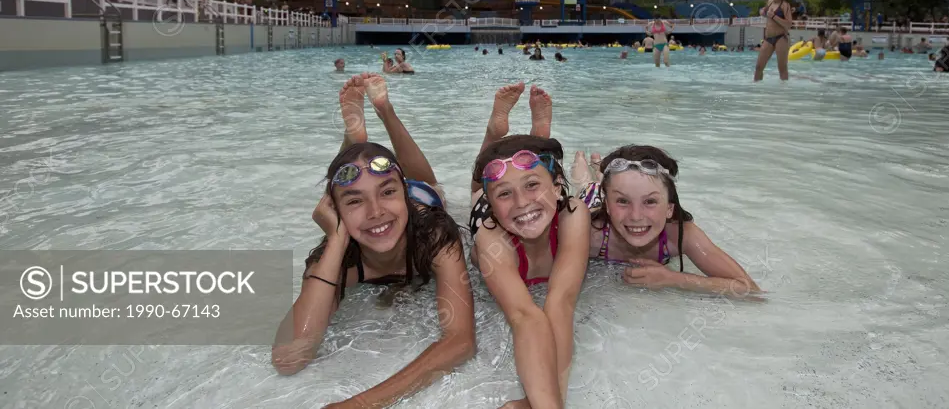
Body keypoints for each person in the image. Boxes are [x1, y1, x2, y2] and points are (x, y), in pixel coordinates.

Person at [273, 75, 474, 408]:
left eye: (388, 193)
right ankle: (355, 143)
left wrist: (363, 404)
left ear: (401, 196)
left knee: (429, 185)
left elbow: (461, 341)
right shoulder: (339, 261)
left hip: (422, 202)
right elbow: (288, 357)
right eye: (353, 201)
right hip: (376, 215)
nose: (375, 212)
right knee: (361, 183)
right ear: (334, 212)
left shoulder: (435, 235)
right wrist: (337, 239)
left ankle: (385, 111)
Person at [469, 84, 589, 409]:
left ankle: (540, 139)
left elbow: (559, 303)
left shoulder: (573, 214)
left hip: (548, 199)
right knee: (480, 185)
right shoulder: (490, 234)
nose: (522, 203)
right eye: (505, 195)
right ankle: (496, 129)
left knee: (537, 181)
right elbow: (525, 316)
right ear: (494, 208)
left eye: (533, 186)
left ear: (558, 189)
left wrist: (547, 402)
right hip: (492, 218)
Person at [573, 146, 759, 296]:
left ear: (669, 209)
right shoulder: (591, 235)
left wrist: (673, 279)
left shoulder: (682, 235)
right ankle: (582, 158)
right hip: (592, 203)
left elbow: (748, 289)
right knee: (585, 185)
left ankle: (599, 167)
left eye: (650, 201)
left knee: (607, 182)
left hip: (608, 196)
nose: (636, 216)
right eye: (623, 201)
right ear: (607, 205)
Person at [754, 0, 793, 81]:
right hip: (768, 38)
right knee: (759, 67)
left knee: (782, 68)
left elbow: (788, 24)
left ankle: (784, 91)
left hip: (781, 38)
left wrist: (774, 16)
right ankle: (755, 89)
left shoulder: (785, 5)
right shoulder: (769, 2)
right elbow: (764, 12)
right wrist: (762, 12)